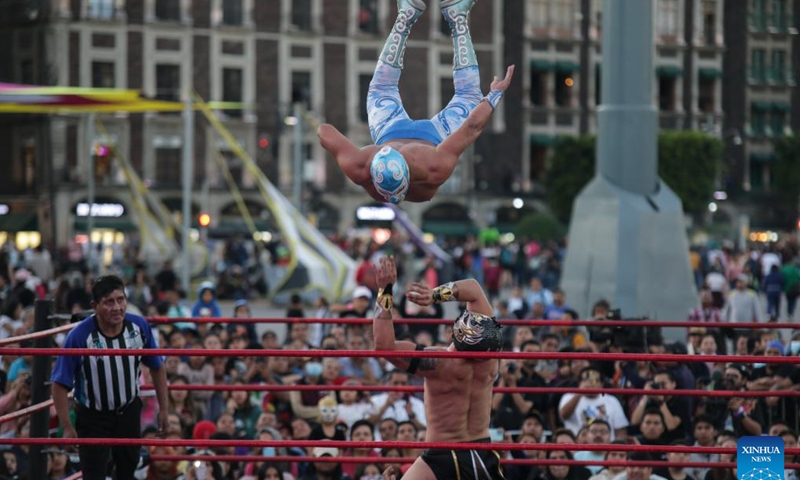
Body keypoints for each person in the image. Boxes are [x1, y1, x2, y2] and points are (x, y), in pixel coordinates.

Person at [318, 0, 515, 204]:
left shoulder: (433, 168)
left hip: (431, 135)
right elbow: (324, 131)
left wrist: (493, 96)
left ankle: (457, 17)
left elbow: (472, 127)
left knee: (469, 95)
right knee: (381, 87)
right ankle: (406, 16)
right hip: (390, 131)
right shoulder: (360, 166)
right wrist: (493, 96)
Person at [372, 255, 505, 479]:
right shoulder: (491, 353)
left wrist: (385, 290)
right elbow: (473, 288)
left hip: (443, 452)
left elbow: (383, 346)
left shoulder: (441, 364)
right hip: (482, 450)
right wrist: (434, 295)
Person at [51, 275, 170, 480]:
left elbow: (157, 367)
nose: (117, 307)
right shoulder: (79, 336)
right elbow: (59, 383)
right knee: (94, 472)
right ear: (95, 306)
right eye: (109, 302)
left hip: (128, 409)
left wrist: (164, 409)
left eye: (120, 299)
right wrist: (68, 427)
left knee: (128, 466)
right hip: (93, 416)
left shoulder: (138, 326)